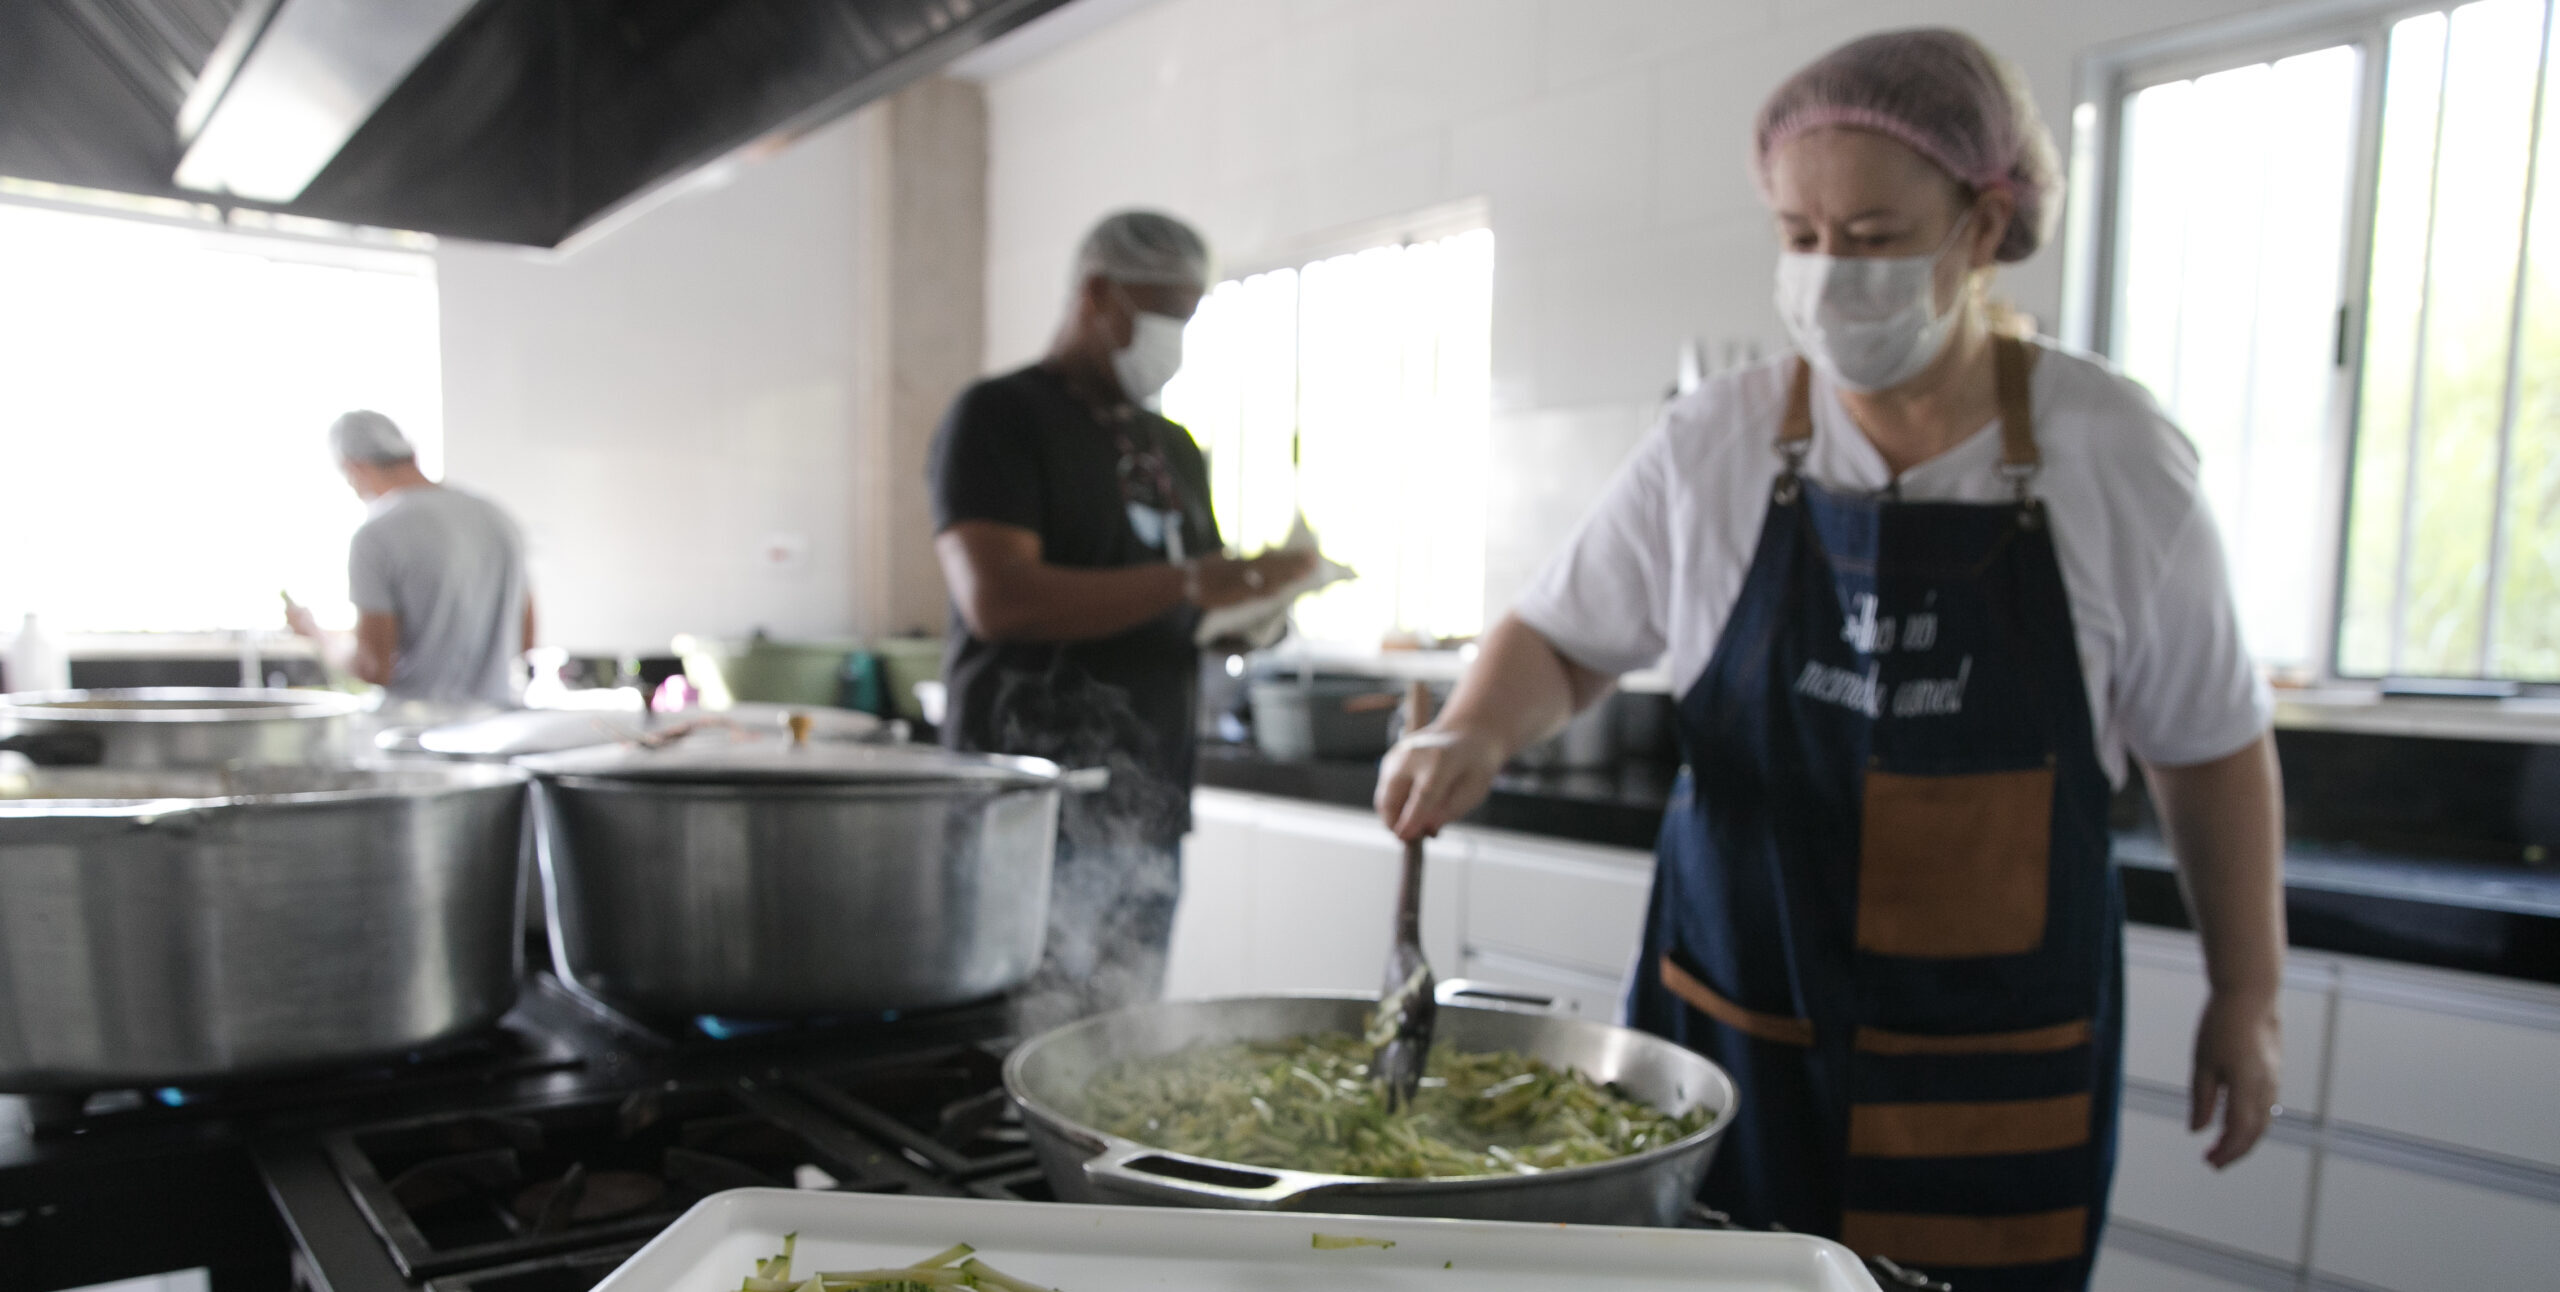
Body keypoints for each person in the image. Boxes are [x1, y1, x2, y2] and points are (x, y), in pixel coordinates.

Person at [1376, 30, 2284, 1291]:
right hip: (1732, 1033)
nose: (1826, 273)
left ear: (1982, 223)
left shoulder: (2112, 452)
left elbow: (2209, 746)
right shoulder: (1715, 443)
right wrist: (1474, 727)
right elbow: (1562, 636)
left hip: (1991, 1071)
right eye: (1799, 237)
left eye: (1869, 236)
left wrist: (2247, 989)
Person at [930, 210, 1315, 1027]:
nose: (1176, 337)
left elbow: (1196, 606)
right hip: (1029, 809)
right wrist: (1189, 581)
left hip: (1148, 800)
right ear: (1098, 296)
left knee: (1121, 1047)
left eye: (1190, 316)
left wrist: (1262, 608)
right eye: (1165, 313)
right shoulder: (999, 417)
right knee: (1001, 1048)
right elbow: (1000, 600)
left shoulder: (1172, 448)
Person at [286, 410, 533, 709]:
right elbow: (526, 640)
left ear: (353, 467)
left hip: (414, 732)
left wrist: (315, 634)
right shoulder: (498, 517)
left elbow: (374, 666)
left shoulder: (376, 535)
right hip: (497, 728)